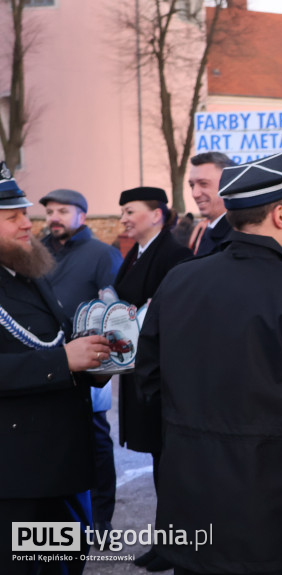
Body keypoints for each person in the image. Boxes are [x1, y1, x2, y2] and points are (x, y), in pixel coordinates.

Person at [136, 150, 282, 575]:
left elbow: (147, 378)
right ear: (279, 214)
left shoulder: (179, 279)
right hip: (262, 503)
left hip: (188, 496)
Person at [0, 163, 112, 575]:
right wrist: (62, 361)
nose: (27, 224)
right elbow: (55, 354)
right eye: (12, 217)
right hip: (19, 480)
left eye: (24, 214)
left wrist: (98, 362)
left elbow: (56, 339)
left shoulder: (28, 270)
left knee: (65, 565)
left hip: (62, 470)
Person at [39, 187, 123, 545]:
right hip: (43, 361)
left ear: (82, 216)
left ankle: (100, 522)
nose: (54, 217)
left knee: (95, 441)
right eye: (49, 212)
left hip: (90, 361)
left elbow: (115, 307)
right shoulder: (35, 251)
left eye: (62, 211)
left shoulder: (102, 254)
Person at [114, 186, 191, 572]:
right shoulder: (137, 252)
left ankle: (175, 544)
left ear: (157, 214)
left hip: (162, 376)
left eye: (131, 211)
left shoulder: (174, 255)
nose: (124, 219)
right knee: (160, 463)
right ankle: (166, 541)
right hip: (139, 370)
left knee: (170, 465)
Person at [187, 152, 234, 255]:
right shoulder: (206, 230)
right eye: (192, 185)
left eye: (203, 184)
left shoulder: (236, 237)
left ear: (228, 185)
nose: (195, 194)